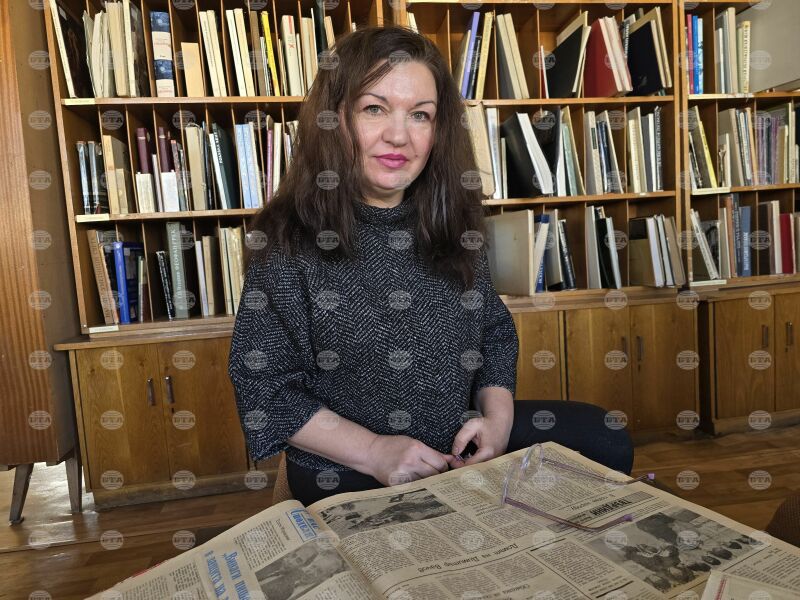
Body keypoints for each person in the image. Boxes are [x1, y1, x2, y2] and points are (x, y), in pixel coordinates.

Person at [228, 25, 634, 507]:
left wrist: (497, 422)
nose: (398, 136)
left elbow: (493, 332)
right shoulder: (285, 240)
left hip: (454, 437)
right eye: (374, 108)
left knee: (606, 438)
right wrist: (375, 451)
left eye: (420, 115)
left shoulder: (454, 221)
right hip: (347, 461)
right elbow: (264, 386)